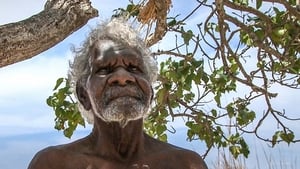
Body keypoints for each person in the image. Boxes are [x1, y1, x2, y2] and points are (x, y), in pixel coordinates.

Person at [28, 18, 208, 169]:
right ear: (83, 95)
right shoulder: (53, 163)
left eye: (134, 68)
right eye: (105, 69)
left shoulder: (187, 164)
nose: (122, 77)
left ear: (151, 93)